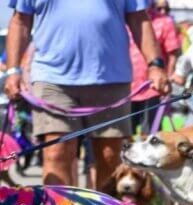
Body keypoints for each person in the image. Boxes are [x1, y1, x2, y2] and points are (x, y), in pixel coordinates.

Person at [4, 0, 170, 190]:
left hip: (110, 78)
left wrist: (156, 65)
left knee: (110, 157)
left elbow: (139, 18)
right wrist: (13, 70)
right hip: (52, 78)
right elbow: (20, 21)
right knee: (56, 153)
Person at [129, 0, 182, 135]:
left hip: (153, 89)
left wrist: (167, 80)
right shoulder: (123, 20)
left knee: (151, 138)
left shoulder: (165, 21)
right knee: (123, 139)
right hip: (126, 90)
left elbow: (172, 56)